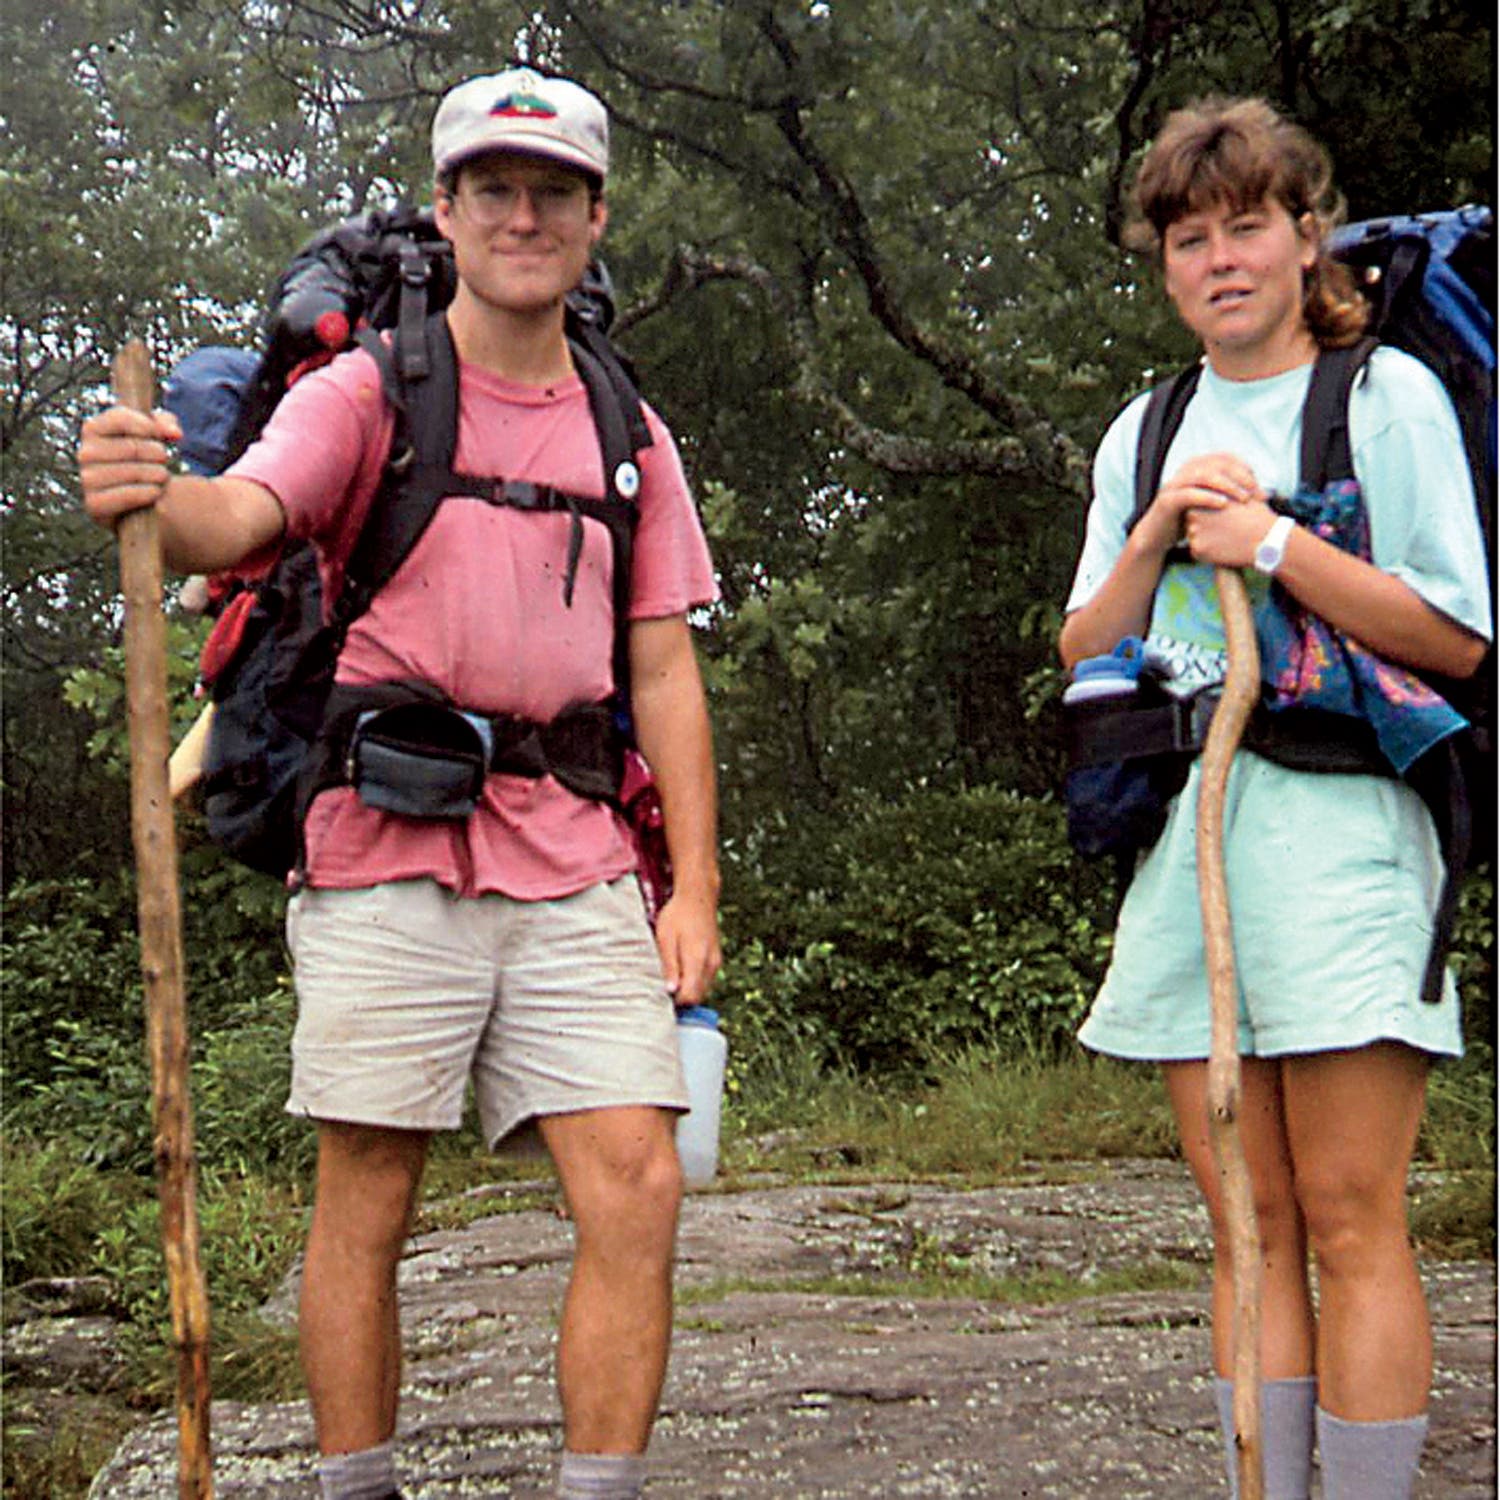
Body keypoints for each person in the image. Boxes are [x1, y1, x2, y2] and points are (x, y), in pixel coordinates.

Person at [79, 66, 722, 1500]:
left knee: (640, 1183)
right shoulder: (375, 390)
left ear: (595, 215)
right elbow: (236, 515)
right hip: (384, 841)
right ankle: (355, 1487)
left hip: (576, 847)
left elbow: (664, 666)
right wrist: (147, 489)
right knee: (368, 1193)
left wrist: (698, 892)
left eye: (553, 190)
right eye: (492, 186)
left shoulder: (629, 429)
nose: (522, 213)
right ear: (446, 209)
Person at [1058, 97, 1489, 1500]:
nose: (1221, 260)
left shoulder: (1385, 398)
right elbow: (1085, 644)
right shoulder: (1148, 426)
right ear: (1164, 262)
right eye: (1190, 238)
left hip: (1349, 830)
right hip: (1195, 840)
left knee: (1355, 1211)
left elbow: (1456, 634)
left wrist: (1274, 543)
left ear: (1310, 238)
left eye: (1249, 226)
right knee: (1247, 1214)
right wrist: (1160, 528)